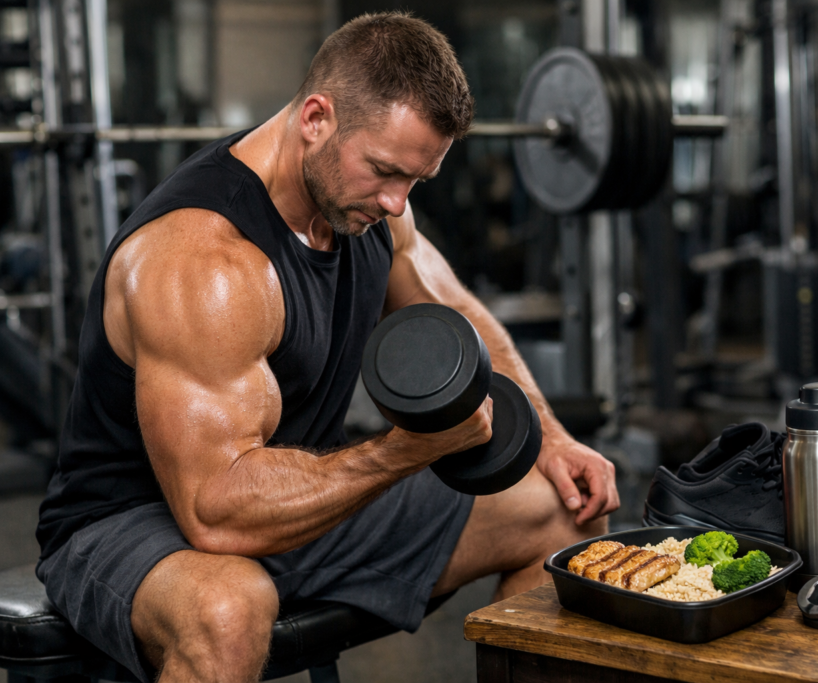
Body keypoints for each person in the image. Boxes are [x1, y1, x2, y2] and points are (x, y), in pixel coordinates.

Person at [34, 11, 620, 683]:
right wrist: (403, 451)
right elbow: (216, 513)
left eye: (415, 182)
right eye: (385, 171)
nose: (399, 204)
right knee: (228, 609)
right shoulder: (204, 263)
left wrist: (549, 435)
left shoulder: (365, 201)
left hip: (292, 487)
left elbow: (453, 308)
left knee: (562, 512)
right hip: (136, 520)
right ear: (316, 117)